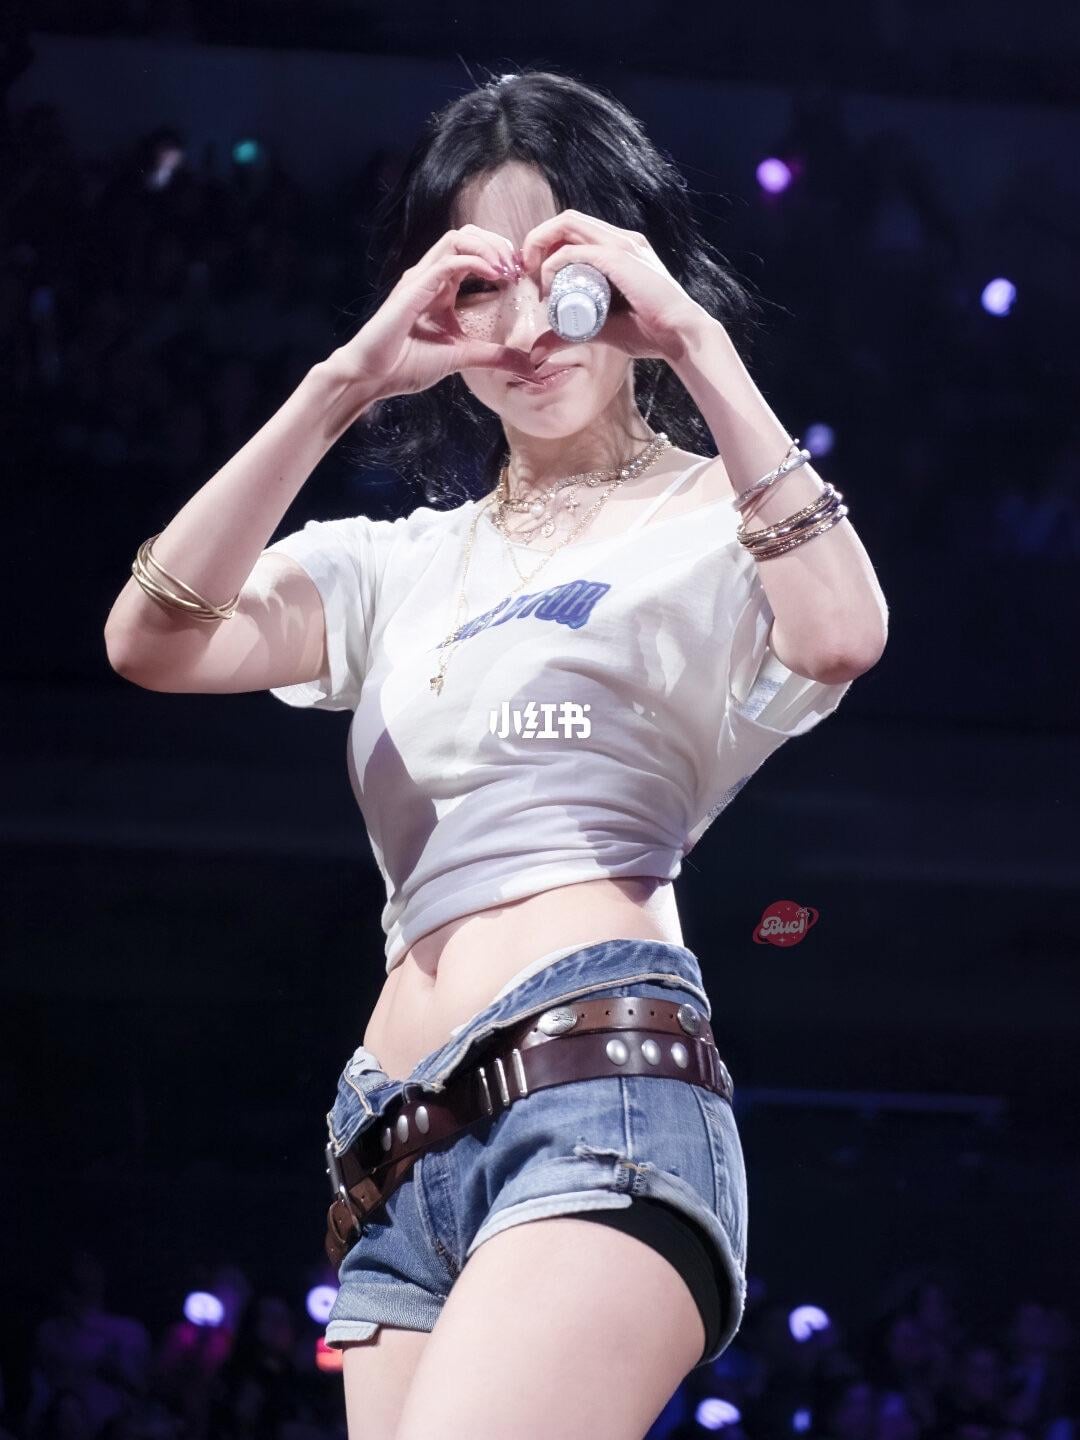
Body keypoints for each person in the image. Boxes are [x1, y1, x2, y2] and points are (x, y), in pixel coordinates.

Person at [105, 65, 887, 1440]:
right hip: (391, 1152)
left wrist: (695, 340)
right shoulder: (397, 563)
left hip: (598, 1095)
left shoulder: (721, 517)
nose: (528, 329)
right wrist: (343, 383)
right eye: (481, 286)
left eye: (565, 272)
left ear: (632, 268)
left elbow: (840, 635)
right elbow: (151, 637)